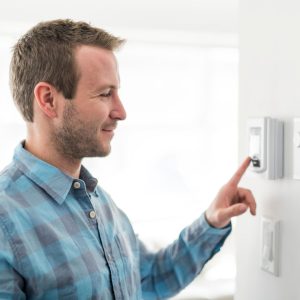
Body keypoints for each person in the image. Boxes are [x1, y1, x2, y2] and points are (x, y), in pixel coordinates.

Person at [0, 19, 256, 299]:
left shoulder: (100, 204)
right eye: (105, 94)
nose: (121, 112)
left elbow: (149, 279)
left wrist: (211, 221)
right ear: (49, 100)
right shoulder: (5, 220)